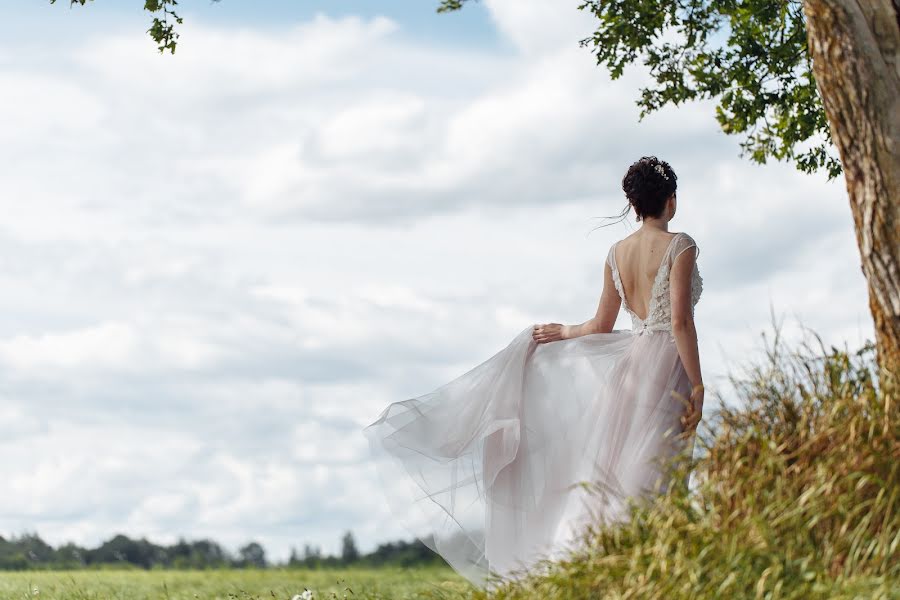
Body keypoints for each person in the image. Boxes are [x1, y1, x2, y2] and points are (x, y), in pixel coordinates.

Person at [361, 156, 704, 590]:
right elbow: (679, 323)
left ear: (634, 204)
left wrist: (565, 332)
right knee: (661, 473)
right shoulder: (682, 245)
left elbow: (600, 326)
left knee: (623, 474)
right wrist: (696, 383)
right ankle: (656, 579)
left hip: (631, 367)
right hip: (667, 366)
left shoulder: (616, 254)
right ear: (671, 200)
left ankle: (613, 572)